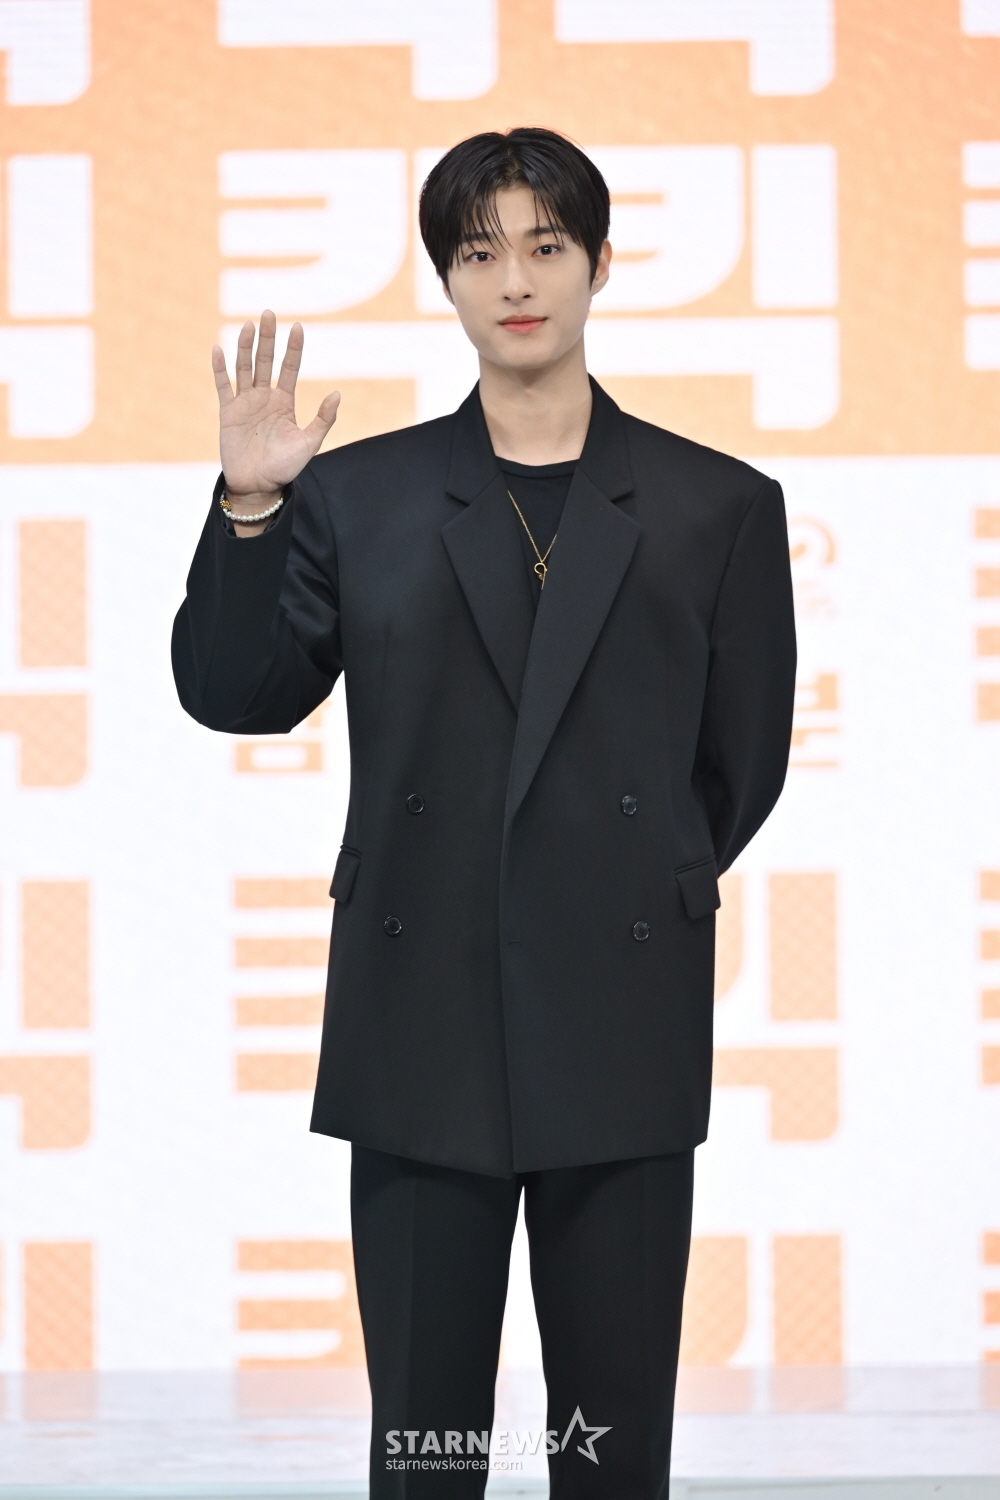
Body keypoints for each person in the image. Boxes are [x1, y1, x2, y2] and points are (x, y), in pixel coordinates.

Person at [172, 127, 796, 1500]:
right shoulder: (358, 496)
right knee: (427, 1441)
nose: (516, 279)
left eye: (546, 246)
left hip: (621, 1011)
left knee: (611, 1445)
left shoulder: (716, 506)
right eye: (478, 251)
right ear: (446, 280)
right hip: (419, 1013)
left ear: (599, 265)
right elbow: (237, 694)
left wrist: (625, 881)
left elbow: (736, 769)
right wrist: (252, 508)